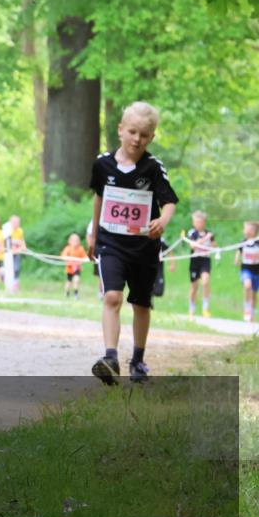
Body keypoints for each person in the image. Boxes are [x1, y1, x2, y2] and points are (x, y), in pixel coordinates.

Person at [88, 101, 178, 385]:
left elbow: (169, 201)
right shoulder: (102, 164)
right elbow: (99, 198)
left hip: (143, 247)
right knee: (112, 297)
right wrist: (92, 233)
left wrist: (162, 221)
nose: (137, 139)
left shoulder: (153, 167)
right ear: (120, 130)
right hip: (110, 243)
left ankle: (138, 361)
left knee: (141, 304)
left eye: (144, 134)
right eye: (132, 132)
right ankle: (110, 358)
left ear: (152, 136)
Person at [187, 210, 216, 318]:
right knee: (194, 287)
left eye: (200, 222)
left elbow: (214, 245)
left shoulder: (209, 234)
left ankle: (205, 308)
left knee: (205, 282)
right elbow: (193, 245)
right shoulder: (192, 233)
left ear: (204, 222)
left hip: (205, 261)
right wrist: (206, 238)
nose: (198, 224)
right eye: (196, 222)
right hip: (195, 262)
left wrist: (216, 248)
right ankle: (192, 308)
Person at [234, 221, 259, 323]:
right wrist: (237, 259)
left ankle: (252, 313)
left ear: (253, 231)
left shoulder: (257, 242)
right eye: (245, 229)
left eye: (247, 229)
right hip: (246, 269)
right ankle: (246, 309)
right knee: (247, 286)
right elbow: (238, 251)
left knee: (254, 293)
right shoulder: (243, 242)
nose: (245, 231)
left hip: (256, 271)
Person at [60, 233, 87, 299]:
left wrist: (82, 260)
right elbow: (63, 256)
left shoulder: (80, 249)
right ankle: (67, 292)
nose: (75, 242)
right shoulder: (68, 248)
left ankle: (76, 293)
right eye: (74, 240)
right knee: (69, 281)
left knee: (76, 280)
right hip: (69, 268)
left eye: (76, 240)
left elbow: (84, 257)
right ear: (70, 241)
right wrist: (68, 259)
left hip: (77, 268)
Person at [4, 214, 27, 291]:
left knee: (16, 268)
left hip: (17, 253)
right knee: (9, 269)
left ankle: (16, 283)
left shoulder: (20, 231)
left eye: (18, 222)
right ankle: (8, 283)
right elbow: (6, 243)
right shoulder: (7, 231)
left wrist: (22, 248)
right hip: (8, 254)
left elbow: (22, 243)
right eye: (15, 222)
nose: (16, 224)